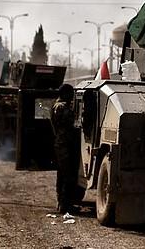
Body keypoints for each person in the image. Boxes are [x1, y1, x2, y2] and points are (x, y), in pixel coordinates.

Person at [49, 83, 80, 213]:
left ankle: (62, 203)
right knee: (68, 176)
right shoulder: (61, 107)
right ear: (65, 94)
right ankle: (65, 205)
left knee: (62, 175)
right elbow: (71, 122)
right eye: (70, 94)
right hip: (64, 145)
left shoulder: (57, 105)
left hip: (62, 144)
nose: (72, 97)